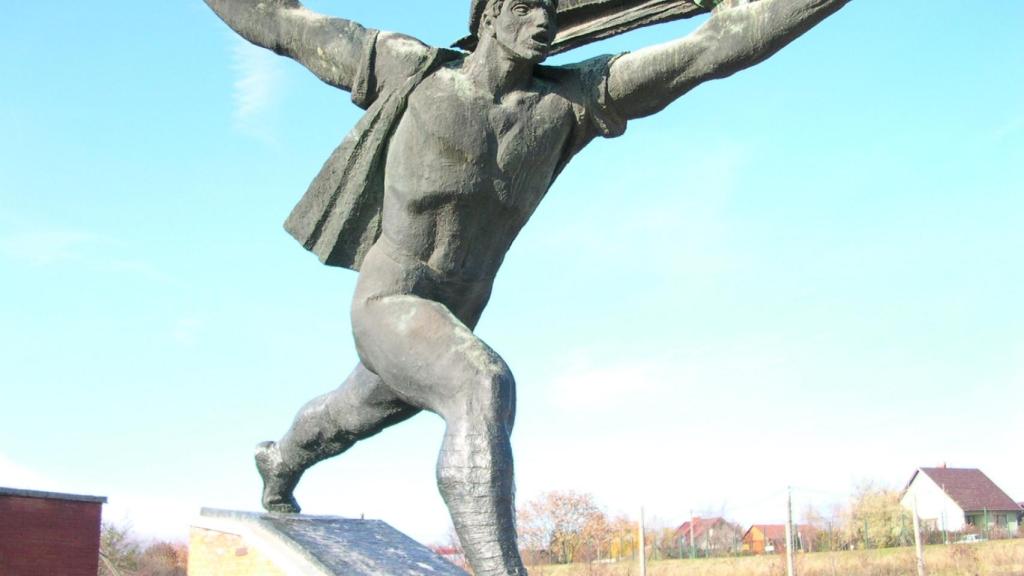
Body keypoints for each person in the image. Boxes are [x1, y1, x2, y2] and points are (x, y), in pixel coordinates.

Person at [203, 0, 851, 573]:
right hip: (389, 300)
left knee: (347, 414)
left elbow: (717, 45)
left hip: (451, 319)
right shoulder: (410, 70)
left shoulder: (568, 103)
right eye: (525, 5)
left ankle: (281, 459)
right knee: (480, 385)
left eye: (550, 8)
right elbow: (282, 22)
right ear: (486, 15)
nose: (542, 20)